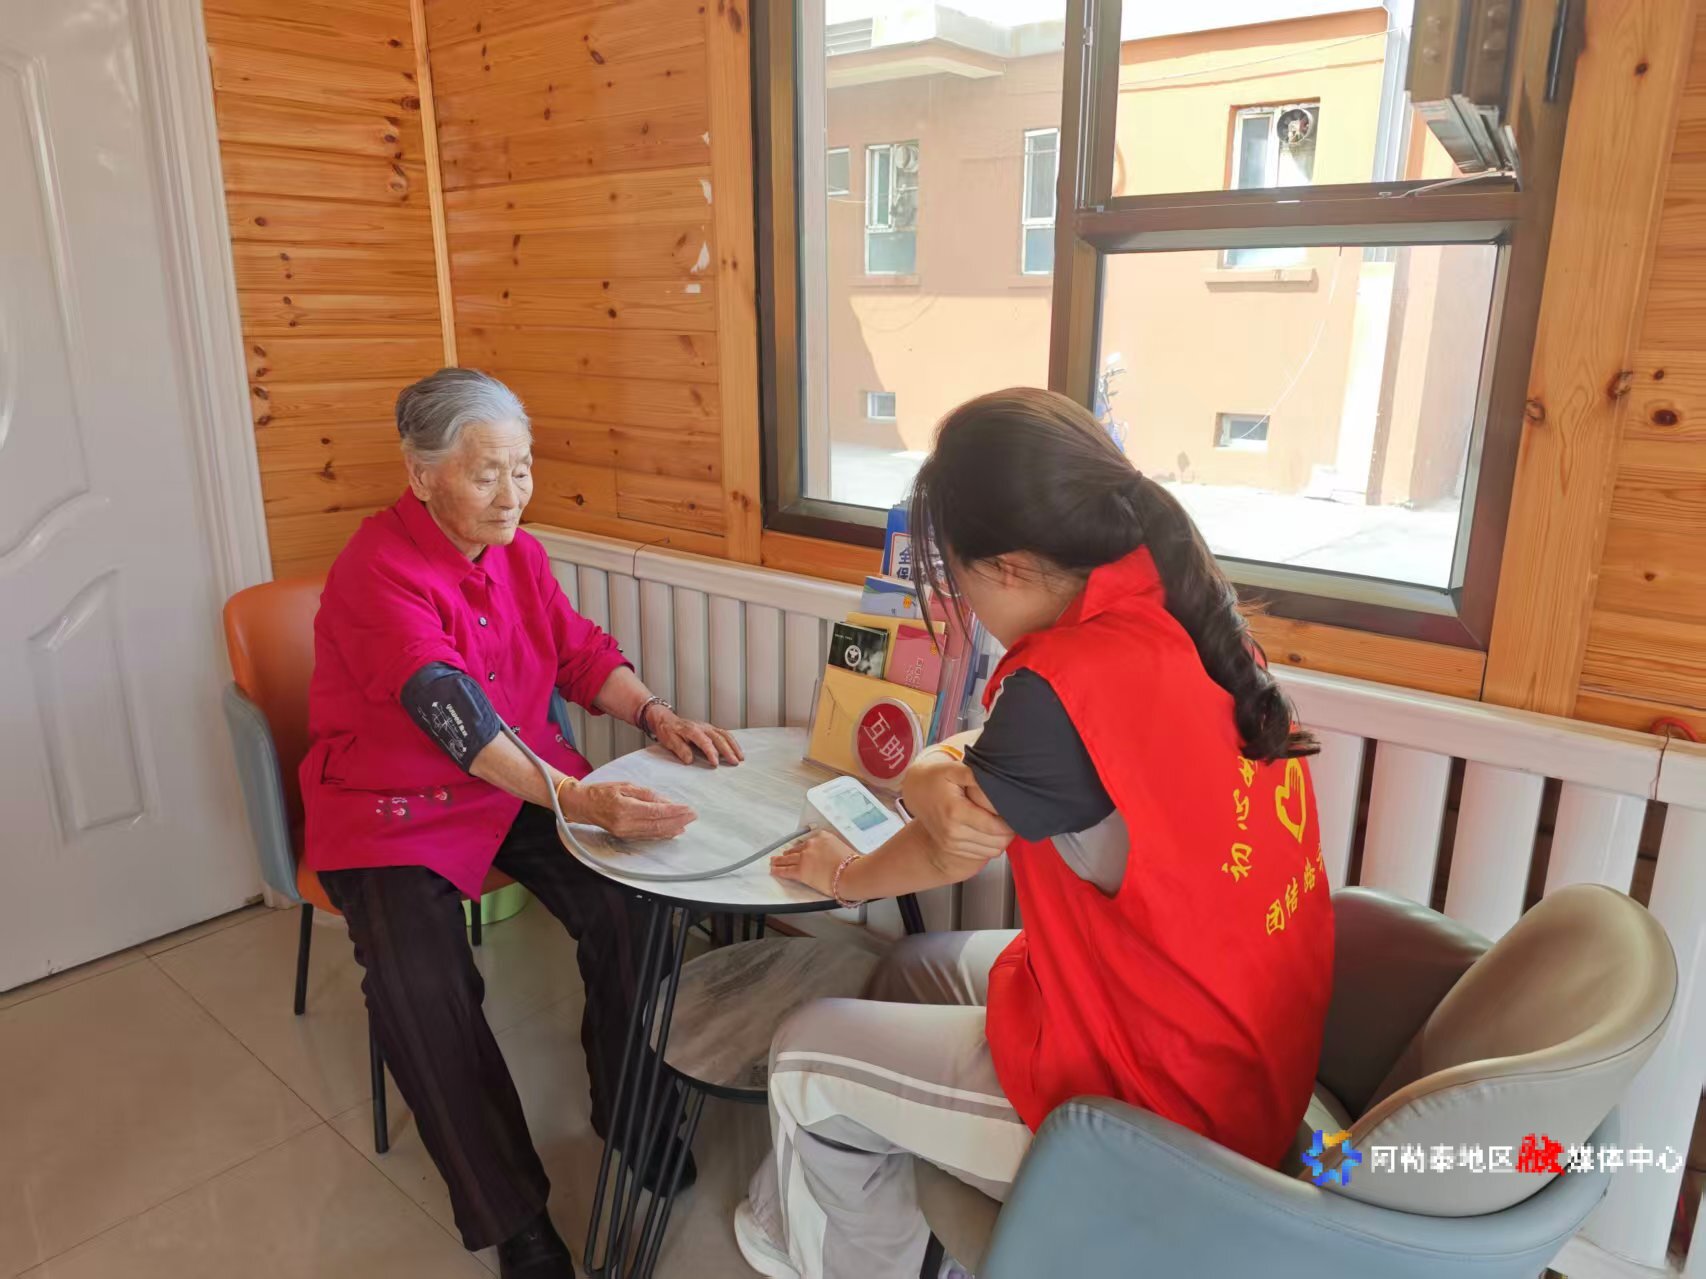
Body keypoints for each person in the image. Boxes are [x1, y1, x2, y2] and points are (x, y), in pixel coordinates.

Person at [735, 388, 1335, 1279]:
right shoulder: (1175, 607)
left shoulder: (1063, 688)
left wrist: (842, 873)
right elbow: (981, 765)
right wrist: (930, 770)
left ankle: (827, 1246)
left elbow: (950, 846)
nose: (964, 603)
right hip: (1244, 1059)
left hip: (1159, 1121)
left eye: (960, 577)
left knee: (799, 1059)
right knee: (913, 969)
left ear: (1008, 568)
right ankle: (883, 1215)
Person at [302, 368, 743, 1279]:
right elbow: (448, 708)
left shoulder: (519, 554)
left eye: (523, 469)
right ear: (421, 474)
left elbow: (579, 653)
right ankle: (513, 1215)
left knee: (635, 899)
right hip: (391, 808)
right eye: (486, 474)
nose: (512, 495)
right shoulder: (376, 568)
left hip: (514, 786)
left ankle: (630, 1108)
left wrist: (654, 713)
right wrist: (577, 798)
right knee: (421, 985)